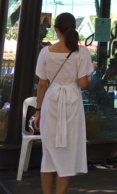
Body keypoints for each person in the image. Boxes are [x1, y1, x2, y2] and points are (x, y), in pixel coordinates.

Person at [33, 12, 92, 194]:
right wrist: (91, 73)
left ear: (56, 29)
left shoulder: (45, 52)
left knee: (48, 157)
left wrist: (38, 111)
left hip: (51, 102)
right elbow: (82, 83)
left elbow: (42, 84)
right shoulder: (82, 52)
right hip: (71, 104)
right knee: (66, 156)